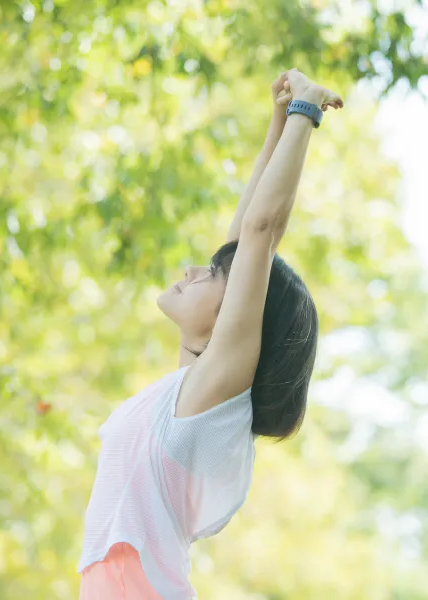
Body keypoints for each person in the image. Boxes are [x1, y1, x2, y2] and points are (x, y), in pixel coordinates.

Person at [77, 68, 344, 600]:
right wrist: (278, 117)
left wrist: (305, 112)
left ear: (234, 315)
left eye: (213, 275)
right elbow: (242, 235)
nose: (193, 271)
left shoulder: (214, 388)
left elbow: (260, 234)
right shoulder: (188, 387)